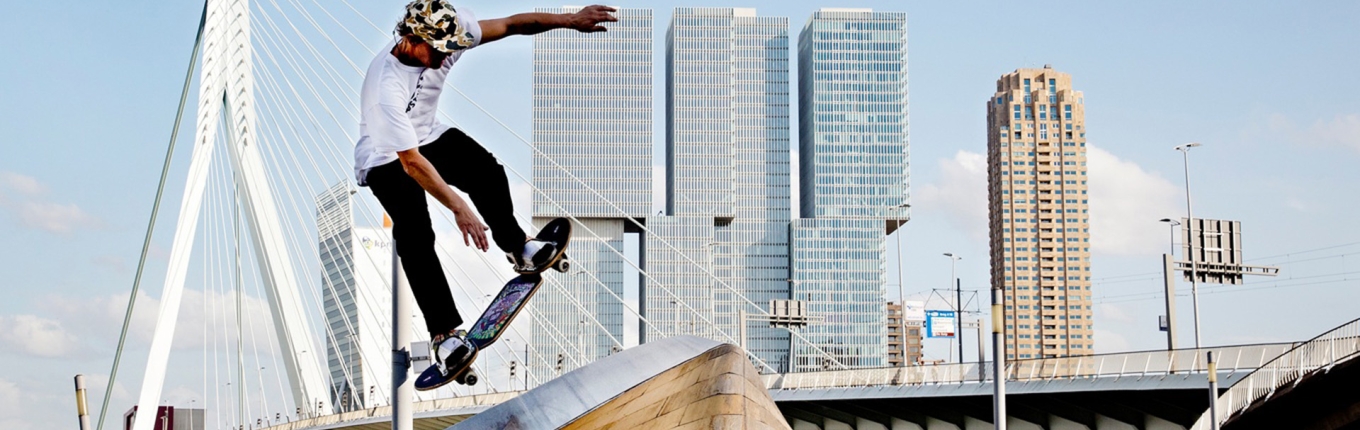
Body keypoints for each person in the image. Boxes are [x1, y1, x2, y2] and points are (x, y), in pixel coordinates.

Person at [354, 0, 616, 375]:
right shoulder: (384, 89)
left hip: (426, 136)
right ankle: (444, 334)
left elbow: (511, 25)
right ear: (411, 39)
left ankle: (517, 246)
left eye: (449, 49)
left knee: (487, 171)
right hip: (386, 156)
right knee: (415, 233)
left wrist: (570, 20)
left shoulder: (449, 34)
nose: (444, 58)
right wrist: (458, 207)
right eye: (436, 51)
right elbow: (411, 164)